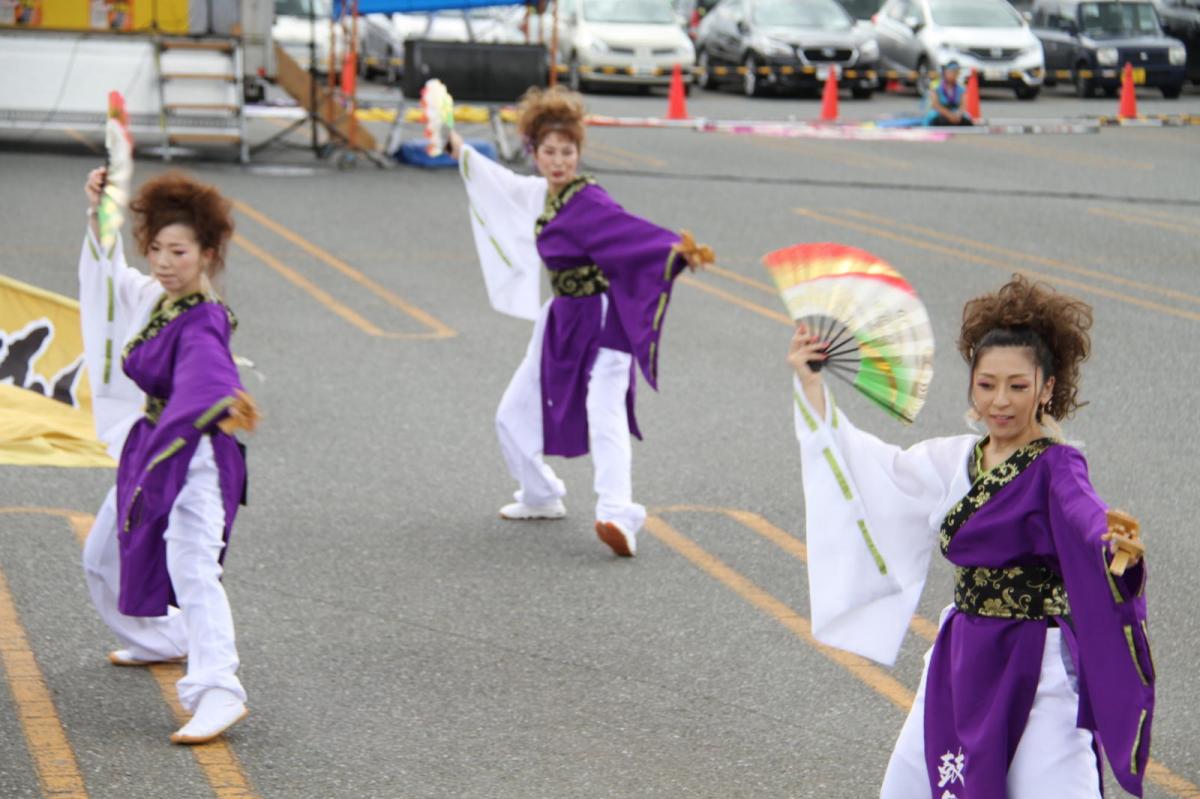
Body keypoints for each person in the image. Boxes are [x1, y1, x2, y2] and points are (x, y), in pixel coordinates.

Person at [789, 275, 1153, 798]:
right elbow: (869, 471)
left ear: (1047, 387)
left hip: (1039, 662)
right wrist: (811, 386)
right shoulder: (951, 458)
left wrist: (1108, 541)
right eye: (986, 385)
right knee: (912, 786)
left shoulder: (1058, 464)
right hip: (962, 656)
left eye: (1018, 386)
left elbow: (1084, 512)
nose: (1000, 401)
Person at [446, 86, 712, 558]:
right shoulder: (539, 196)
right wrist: (457, 146)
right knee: (510, 413)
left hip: (604, 322)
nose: (559, 160)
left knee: (603, 412)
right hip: (562, 319)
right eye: (549, 152)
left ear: (578, 152)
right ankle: (540, 494)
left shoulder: (588, 201)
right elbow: (498, 182)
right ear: (535, 152)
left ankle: (618, 512)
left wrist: (676, 252)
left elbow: (632, 233)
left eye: (567, 152)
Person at [78, 167, 258, 744]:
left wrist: (198, 418)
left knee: (194, 570)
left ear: (207, 253)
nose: (162, 260)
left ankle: (219, 690)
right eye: (154, 247)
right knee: (102, 556)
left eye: (177, 250)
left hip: (195, 456)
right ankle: (163, 640)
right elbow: (109, 281)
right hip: (156, 448)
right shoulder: (157, 296)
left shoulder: (201, 321)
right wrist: (100, 213)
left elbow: (210, 385)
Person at [926, 60, 974, 126]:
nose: (954, 75)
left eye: (956, 73)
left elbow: (963, 105)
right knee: (938, 121)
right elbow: (935, 105)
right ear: (945, 72)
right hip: (941, 113)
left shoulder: (961, 88)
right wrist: (949, 115)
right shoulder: (936, 86)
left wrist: (958, 115)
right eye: (952, 72)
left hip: (956, 113)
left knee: (967, 121)